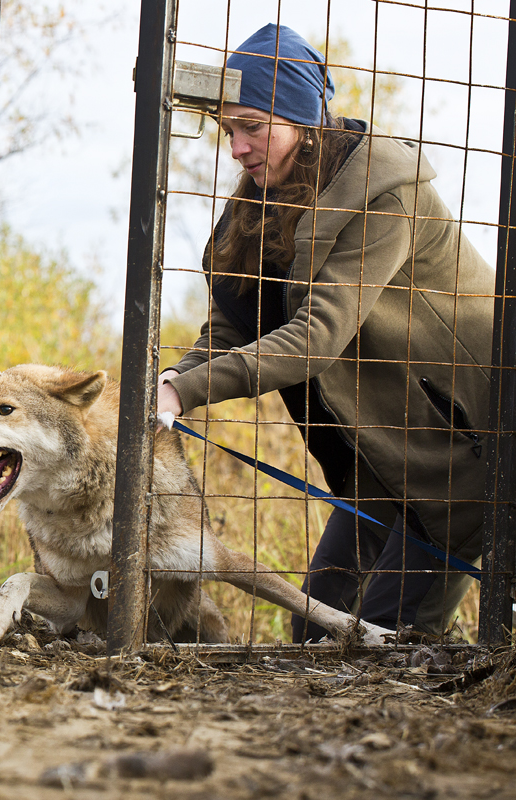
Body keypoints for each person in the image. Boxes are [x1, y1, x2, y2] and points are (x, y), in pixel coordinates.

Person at [158, 24, 494, 641]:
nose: (236, 148)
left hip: (460, 445)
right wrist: (173, 377)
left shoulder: (384, 193)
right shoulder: (262, 201)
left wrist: (186, 393)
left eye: (253, 127)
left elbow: (316, 337)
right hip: (381, 453)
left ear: (303, 120)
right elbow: (231, 321)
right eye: (228, 129)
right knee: (316, 627)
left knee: (391, 634)